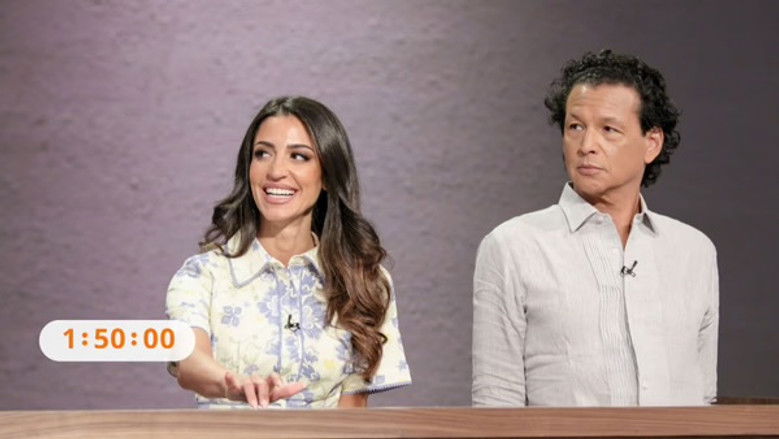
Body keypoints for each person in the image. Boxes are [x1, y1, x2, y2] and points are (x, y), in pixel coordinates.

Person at [472, 50, 719, 407]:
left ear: (652, 143)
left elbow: (704, 397)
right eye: (575, 127)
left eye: (609, 130)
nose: (587, 146)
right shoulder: (513, 246)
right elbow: (496, 402)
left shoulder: (694, 251)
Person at [166, 96, 411, 409]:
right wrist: (234, 385)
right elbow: (189, 363)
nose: (276, 170)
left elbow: (353, 414)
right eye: (263, 154)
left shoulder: (366, 282)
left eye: (299, 156)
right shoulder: (202, 275)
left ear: (327, 175)